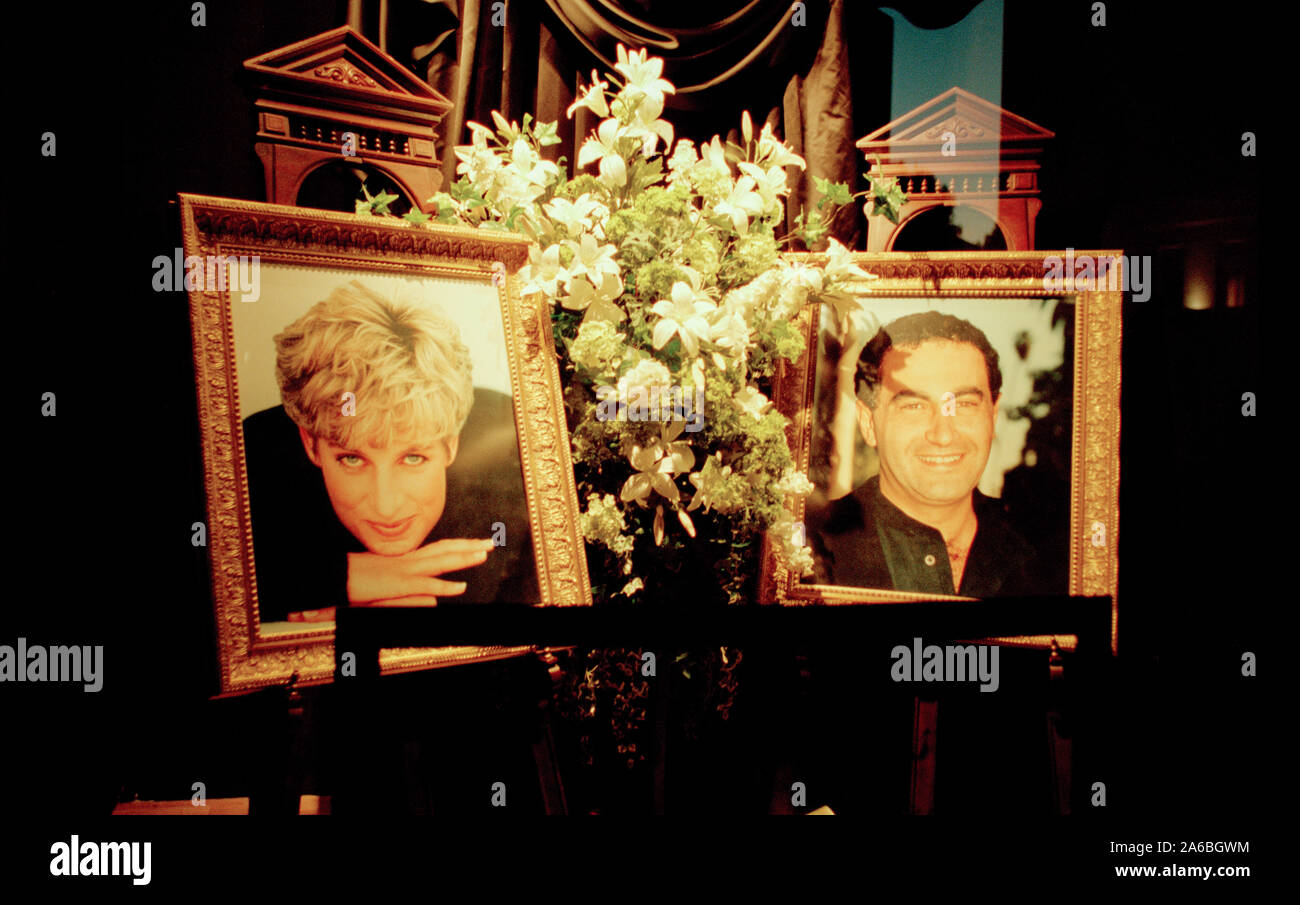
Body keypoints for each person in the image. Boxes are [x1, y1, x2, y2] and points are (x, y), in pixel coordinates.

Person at [242, 281, 539, 623]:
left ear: (451, 443)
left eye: (413, 458)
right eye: (352, 459)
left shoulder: (512, 454)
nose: (386, 505)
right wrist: (333, 578)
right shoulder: (255, 462)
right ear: (310, 444)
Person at [805, 310, 1042, 597]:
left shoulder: (1049, 553)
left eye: (965, 404)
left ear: (993, 414)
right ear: (868, 423)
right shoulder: (811, 551)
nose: (943, 435)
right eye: (914, 407)